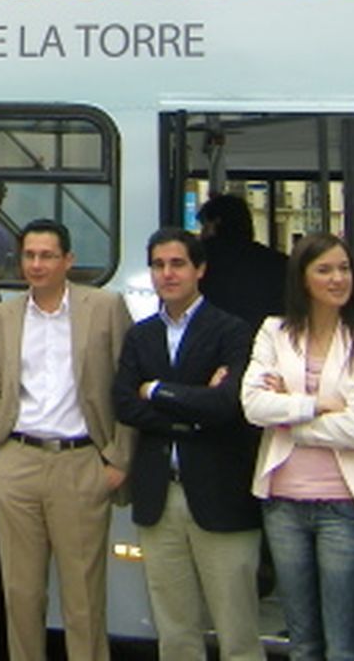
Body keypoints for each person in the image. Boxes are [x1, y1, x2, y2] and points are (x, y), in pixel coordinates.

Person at [242, 234, 354, 661]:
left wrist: (289, 420)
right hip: (284, 505)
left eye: (344, 268)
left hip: (350, 508)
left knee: (345, 647)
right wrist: (318, 405)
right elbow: (253, 405)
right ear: (302, 279)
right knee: (303, 646)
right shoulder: (273, 332)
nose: (338, 279)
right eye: (325, 270)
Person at [0, 219, 132, 661]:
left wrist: (118, 458)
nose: (37, 264)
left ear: (68, 261)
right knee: (21, 595)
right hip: (18, 462)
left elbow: (127, 384)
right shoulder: (3, 315)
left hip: (81, 463)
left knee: (83, 599)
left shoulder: (104, 307)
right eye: (29, 255)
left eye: (47, 255)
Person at [113, 228, 263, 661]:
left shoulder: (233, 330)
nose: (167, 274)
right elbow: (123, 404)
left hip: (221, 498)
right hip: (160, 497)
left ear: (200, 269)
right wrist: (191, 414)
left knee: (238, 633)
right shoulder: (140, 336)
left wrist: (156, 390)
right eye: (159, 265)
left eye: (177, 264)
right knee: (175, 633)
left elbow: (225, 406)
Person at [197, 194, 288, 333]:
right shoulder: (279, 263)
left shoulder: (199, 260)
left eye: (204, 225)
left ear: (216, 223)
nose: (201, 233)